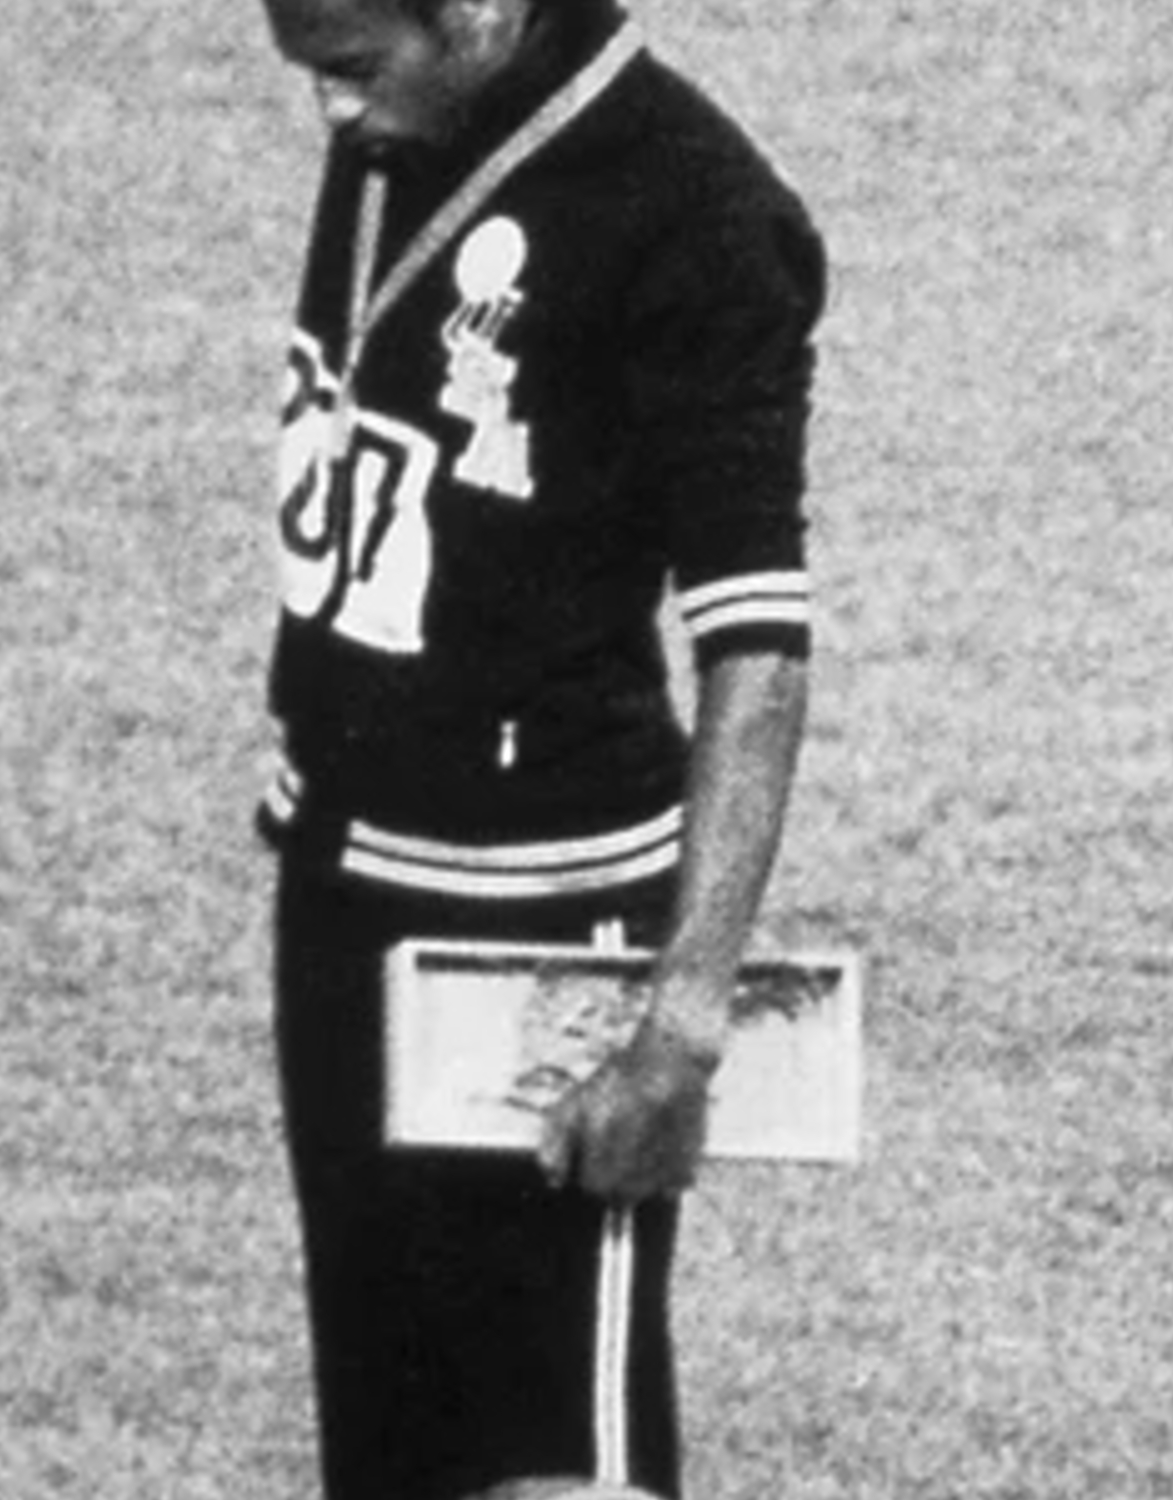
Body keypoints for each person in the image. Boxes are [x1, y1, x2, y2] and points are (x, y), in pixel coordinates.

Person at [249, 0, 824, 1495]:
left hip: (546, 927)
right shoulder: (407, 127)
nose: (336, 119)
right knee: (388, 1440)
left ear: (488, 11)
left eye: (354, 72)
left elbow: (756, 646)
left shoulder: (696, 216)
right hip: (343, 888)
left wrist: (682, 1021)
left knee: (558, 1457)